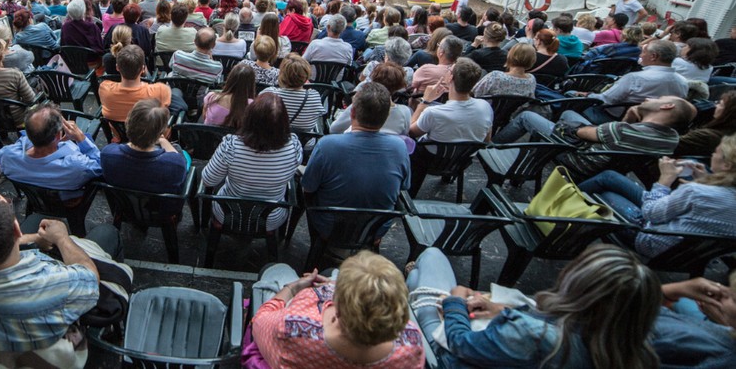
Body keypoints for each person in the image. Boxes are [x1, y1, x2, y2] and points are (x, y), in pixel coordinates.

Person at [0, 188, 115, 364]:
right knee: (107, 233)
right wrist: (61, 238)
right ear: (16, 230)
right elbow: (90, 277)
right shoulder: (52, 285)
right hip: (46, 349)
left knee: (34, 219)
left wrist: (35, 238)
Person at [406, 244, 661, 368]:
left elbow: (460, 343)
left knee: (431, 257)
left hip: (449, 358)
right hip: (498, 352)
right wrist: (505, 311)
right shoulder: (637, 352)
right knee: (416, 278)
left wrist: (456, 302)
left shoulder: (533, 335)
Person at [250, 252, 424, 369]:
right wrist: (337, 286)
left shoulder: (295, 329)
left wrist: (292, 289)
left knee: (278, 271)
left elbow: (260, 320)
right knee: (333, 273)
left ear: (338, 309)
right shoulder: (412, 344)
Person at [579, 135, 736, 258]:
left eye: (717, 152)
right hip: (685, 254)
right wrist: (704, 180)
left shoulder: (696, 191)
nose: (712, 154)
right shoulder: (711, 191)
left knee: (606, 193)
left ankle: (564, 210)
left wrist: (665, 179)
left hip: (649, 238)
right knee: (609, 177)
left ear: (727, 165)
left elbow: (651, 213)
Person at [303, 83, 410, 240]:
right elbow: (404, 186)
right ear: (386, 116)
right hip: (374, 229)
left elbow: (308, 187)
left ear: (352, 112)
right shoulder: (400, 147)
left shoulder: (327, 144)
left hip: (329, 225)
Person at [493, 96, 695, 177]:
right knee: (568, 114)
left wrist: (628, 118)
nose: (651, 98)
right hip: (610, 163)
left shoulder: (622, 130)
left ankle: (492, 147)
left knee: (527, 116)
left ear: (666, 106)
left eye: (659, 99)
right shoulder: (672, 139)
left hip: (579, 157)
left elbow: (579, 132)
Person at [201, 93, 301, 231]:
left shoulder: (231, 145)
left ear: (249, 117)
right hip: (271, 218)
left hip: (228, 212)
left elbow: (208, 180)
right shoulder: (294, 146)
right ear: (284, 121)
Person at [0, 104, 102, 198]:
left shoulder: (6, 156)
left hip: (36, 200)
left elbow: (20, 143)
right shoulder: (77, 165)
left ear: (28, 133)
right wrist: (81, 138)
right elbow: (101, 165)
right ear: (58, 135)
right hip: (66, 202)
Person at [100, 98, 189, 195]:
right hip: (160, 209)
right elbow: (179, 161)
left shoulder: (107, 153)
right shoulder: (175, 164)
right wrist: (163, 140)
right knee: (179, 150)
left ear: (127, 123)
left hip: (124, 208)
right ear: (161, 132)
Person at [584, 39, 688, 120]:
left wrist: (587, 95)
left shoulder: (634, 78)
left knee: (571, 97)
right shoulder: (683, 82)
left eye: (643, 52)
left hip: (615, 118)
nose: (640, 55)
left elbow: (605, 99)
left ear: (653, 56)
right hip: (655, 122)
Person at [409, 58, 493, 142]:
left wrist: (425, 102)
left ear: (450, 78)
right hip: (468, 154)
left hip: (430, 154)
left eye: (449, 69)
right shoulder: (486, 107)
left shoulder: (433, 112)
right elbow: (486, 140)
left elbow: (410, 132)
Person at [98, 45, 177, 123]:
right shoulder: (161, 90)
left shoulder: (104, 88)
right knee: (176, 93)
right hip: (152, 134)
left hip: (120, 135)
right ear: (143, 69)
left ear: (117, 67)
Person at [261, 54, 326, 132]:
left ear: (282, 74)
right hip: (305, 142)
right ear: (306, 76)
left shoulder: (269, 94)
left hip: (274, 141)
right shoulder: (314, 97)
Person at [675, 91, 736, 157]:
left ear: (729, 113)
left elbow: (667, 145)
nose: (716, 106)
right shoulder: (730, 135)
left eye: (720, 104)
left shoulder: (705, 136)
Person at [472, 43, 538, 99]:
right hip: (517, 113)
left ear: (510, 55)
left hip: (491, 111)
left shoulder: (495, 76)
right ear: (532, 60)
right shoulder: (531, 80)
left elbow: (474, 93)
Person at [202, 64, 255, 128]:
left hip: (206, 137)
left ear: (230, 78)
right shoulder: (252, 106)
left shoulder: (211, 97)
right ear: (251, 84)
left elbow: (204, 118)